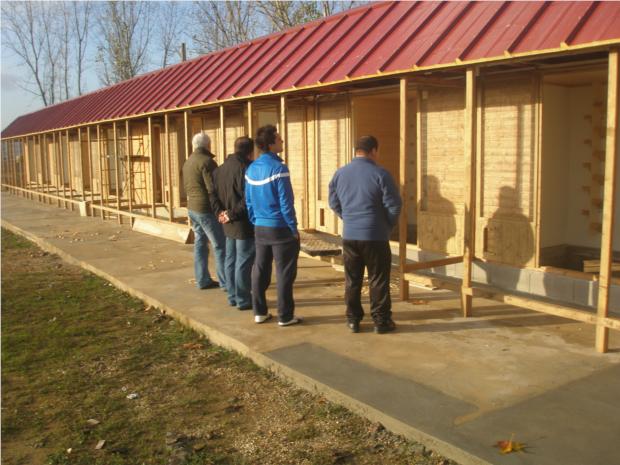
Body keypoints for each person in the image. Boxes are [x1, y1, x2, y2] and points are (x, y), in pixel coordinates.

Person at [328, 135, 401, 334]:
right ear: (374, 151)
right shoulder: (381, 174)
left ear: (356, 150)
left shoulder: (340, 173)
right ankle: (381, 322)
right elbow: (394, 205)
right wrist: (387, 225)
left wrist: (348, 218)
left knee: (352, 279)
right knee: (378, 279)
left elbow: (333, 202)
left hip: (350, 235)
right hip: (375, 235)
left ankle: (353, 320)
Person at [245, 124, 302, 326]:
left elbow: (249, 201)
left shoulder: (251, 169)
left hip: (260, 227)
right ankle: (285, 316)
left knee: (260, 269)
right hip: (280, 228)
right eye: (278, 139)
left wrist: (255, 221)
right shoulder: (279, 169)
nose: (282, 141)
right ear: (270, 144)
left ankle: (259, 312)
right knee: (284, 273)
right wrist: (293, 228)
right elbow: (286, 202)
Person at [210, 136, 255, 310]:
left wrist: (220, 213)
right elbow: (247, 199)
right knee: (243, 261)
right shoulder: (247, 169)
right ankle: (243, 299)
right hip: (242, 222)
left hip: (227, 222)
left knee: (230, 259)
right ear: (250, 151)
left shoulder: (219, 170)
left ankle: (232, 296)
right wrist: (230, 214)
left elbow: (212, 194)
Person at [182, 132, 226, 290]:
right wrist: (221, 209)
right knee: (220, 245)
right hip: (206, 209)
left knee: (200, 244)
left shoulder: (188, 162)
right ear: (208, 145)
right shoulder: (207, 162)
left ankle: (202, 279)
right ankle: (226, 282)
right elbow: (213, 188)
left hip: (192, 208)